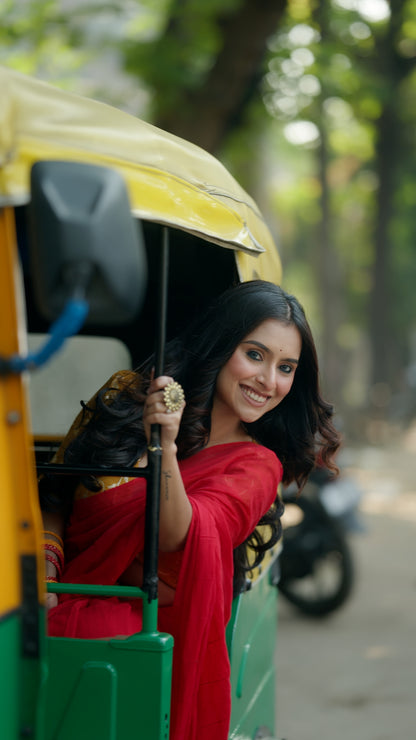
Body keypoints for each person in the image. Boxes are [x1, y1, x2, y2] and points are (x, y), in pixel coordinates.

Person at [40, 279, 341, 740]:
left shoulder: (256, 465)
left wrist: (165, 446)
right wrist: (46, 566)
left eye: (286, 368)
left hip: (136, 633)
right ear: (222, 344)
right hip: (48, 594)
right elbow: (55, 492)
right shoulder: (127, 398)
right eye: (255, 354)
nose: (268, 381)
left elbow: (181, 534)